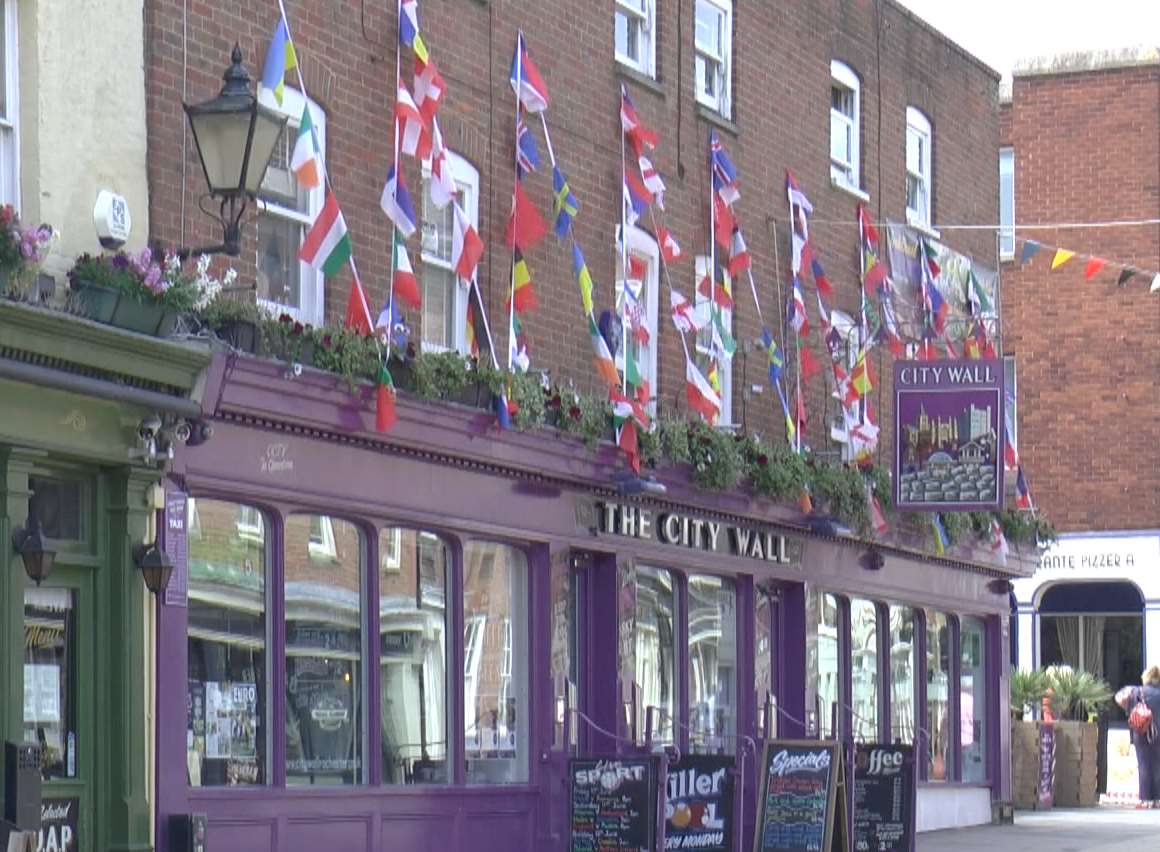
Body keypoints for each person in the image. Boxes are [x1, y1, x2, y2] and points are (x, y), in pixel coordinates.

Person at [1116, 665, 1160, 807]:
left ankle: (1146, 799)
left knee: (1144, 765)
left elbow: (1118, 699)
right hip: (1158, 732)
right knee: (1157, 765)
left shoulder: (1135, 691)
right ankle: (1158, 800)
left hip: (1140, 732)